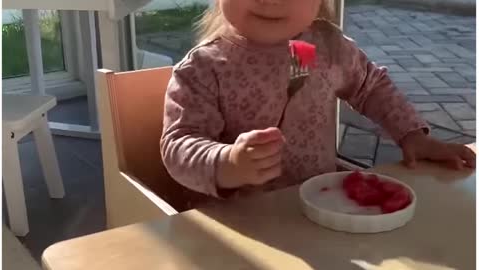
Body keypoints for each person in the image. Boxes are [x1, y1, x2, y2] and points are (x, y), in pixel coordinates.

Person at [160, 0, 475, 198]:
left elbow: (372, 86)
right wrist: (227, 163)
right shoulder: (205, 68)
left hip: (324, 201)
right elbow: (179, 144)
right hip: (242, 223)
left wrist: (412, 135)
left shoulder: (320, 47)